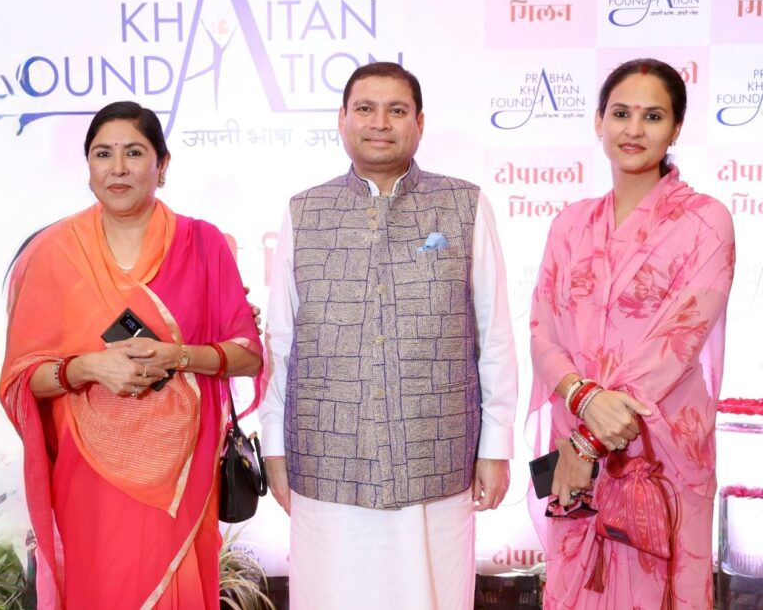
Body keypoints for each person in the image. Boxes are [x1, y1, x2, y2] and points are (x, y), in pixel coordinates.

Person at [260, 61, 518, 609]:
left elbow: (492, 334)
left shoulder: (464, 205)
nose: (381, 122)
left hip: (436, 456)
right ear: (342, 120)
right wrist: (275, 449)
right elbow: (281, 344)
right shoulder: (304, 211)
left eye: (396, 110)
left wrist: (495, 446)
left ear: (419, 123)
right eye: (365, 109)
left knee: (432, 592)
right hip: (327, 457)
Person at [0, 101, 263, 608]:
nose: (117, 168)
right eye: (103, 154)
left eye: (134, 153)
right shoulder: (54, 253)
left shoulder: (203, 243)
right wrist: (84, 368)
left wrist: (177, 356)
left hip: (183, 475)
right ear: (89, 168)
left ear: (162, 166)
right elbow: (20, 378)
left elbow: (246, 354)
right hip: (90, 478)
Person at [527, 58, 735, 608]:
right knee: (575, 588)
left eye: (652, 116)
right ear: (599, 121)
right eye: (621, 113)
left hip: (660, 450)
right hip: (575, 456)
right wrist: (582, 400)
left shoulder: (706, 221)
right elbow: (542, 332)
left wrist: (588, 440)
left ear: (676, 129)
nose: (634, 129)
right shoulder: (570, 224)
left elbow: (679, 341)